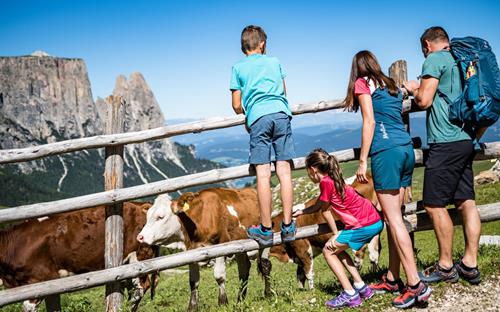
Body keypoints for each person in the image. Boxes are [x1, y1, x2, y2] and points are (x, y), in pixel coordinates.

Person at [344, 50, 431, 308]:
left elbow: (369, 121)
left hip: (386, 152)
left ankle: (415, 285)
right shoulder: (392, 85)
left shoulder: (363, 83)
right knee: (395, 218)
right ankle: (393, 277)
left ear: (357, 68)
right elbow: (413, 87)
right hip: (405, 151)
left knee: (393, 220)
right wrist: (413, 86)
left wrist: (362, 160)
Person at [403, 26, 481, 285]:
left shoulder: (435, 59)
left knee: (434, 204)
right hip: (465, 139)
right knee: (465, 202)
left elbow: (424, 100)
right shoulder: (462, 59)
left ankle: (446, 265)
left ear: (427, 44)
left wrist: (414, 87)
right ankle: (470, 264)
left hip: (444, 141)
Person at [230, 25, 296, 245]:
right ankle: (288, 226)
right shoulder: (274, 62)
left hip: (258, 118)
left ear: (243, 46)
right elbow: (284, 93)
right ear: (262, 43)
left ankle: (266, 230)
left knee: (263, 174)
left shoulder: (237, 68)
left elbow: (236, 105)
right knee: (284, 172)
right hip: (281, 114)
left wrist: (247, 112)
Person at [293, 149, 383, 309]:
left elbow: (325, 210)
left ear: (313, 170)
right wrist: (303, 211)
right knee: (337, 249)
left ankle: (350, 294)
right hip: (374, 220)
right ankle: (362, 287)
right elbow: (321, 204)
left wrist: (335, 234)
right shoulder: (332, 179)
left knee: (328, 250)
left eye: (307, 171)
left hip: (363, 225)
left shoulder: (325, 182)